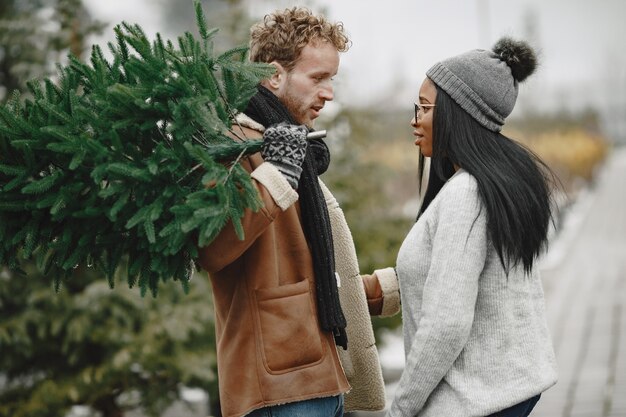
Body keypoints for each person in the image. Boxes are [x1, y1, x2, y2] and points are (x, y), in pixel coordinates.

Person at [197, 7, 388, 417]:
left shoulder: (289, 143)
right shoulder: (232, 143)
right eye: (318, 78)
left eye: (332, 79)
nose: (329, 93)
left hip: (320, 375)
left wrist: (389, 287)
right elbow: (211, 246)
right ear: (272, 74)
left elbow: (309, 265)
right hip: (277, 388)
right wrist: (276, 175)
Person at [361, 37, 559, 417]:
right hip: (509, 390)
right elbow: (470, 279)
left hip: (474, 400)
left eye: (424, 108)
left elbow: (446, 323)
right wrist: (374, 289)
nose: (414, 120)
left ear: (458, 114)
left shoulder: (465, 194)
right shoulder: (498, 180)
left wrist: (400, 409)